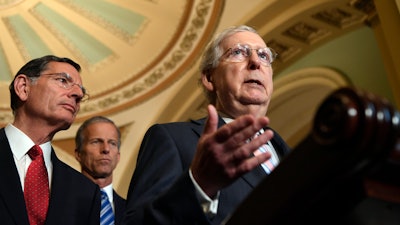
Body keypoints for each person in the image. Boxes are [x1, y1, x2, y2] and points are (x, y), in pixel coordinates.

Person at [123, 25, 291, 225]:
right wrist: (200, 185)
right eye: (238, 52)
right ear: (210, 78)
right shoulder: (173, 139)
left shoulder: (289, 153)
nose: (255, 62)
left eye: (264, 56)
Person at [0, 55, 100, 225]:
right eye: (62, 80)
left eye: (81, 92)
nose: (77, 94)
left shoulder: (86, 192)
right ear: (23, 87)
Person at [75, 116, 126, 225]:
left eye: (112, 143)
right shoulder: (60, 202)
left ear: (118, 156)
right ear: (78, 154)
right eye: (96, 142)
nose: (106, 149)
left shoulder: (132, 211)